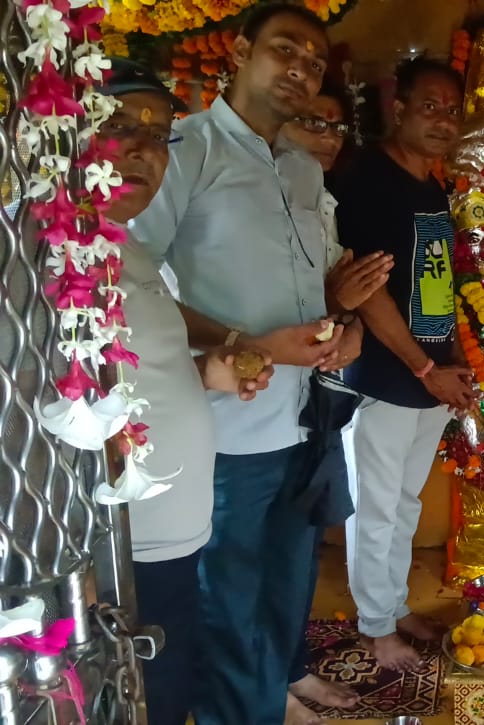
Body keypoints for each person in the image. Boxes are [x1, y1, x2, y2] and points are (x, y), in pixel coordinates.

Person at [129, 5, 352, 722]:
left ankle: (268, 700)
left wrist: (341, 331)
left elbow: (310, 286)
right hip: (225, 426)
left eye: (315, 63)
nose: (301, 70)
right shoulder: (183, 151)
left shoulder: (302, 170)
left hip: (303, 417)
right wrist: (240, 340)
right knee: (227, 607)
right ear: (239, 50)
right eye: (286, 49)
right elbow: (133, 278)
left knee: (286, 593)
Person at [96, 58, 274, 725]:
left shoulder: (126, 248)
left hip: (170, 537)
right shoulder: (39, 254)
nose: (143, 148)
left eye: (159, 134)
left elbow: (130, 376)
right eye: (118, 125)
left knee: (169, 695)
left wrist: (210, 373)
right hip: (116, 554)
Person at [333, 56, 476, 671]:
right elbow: (368, 292)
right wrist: (424, 368)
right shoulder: (367, 179)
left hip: (429, 375)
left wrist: (452, 362)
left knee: (407, 504)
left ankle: (392, 607)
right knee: (376, 505)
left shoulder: (431, 186)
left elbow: (436, 285)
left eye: (452, 111)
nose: (443, 121)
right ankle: (375, 627)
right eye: (429, 107)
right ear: (398, 110)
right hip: (386, 375)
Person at [278, 76, 393, 723]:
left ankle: (292, 667)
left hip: (318, 398)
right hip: (260, 400)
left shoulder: (324, 200)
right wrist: (338, 307)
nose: (326, 138)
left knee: (301, 542)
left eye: (335, 126)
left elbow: (342, 301)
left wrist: (349, 326)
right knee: (260, 551)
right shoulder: (259, 199)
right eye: (311, 122)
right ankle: (270, 687)